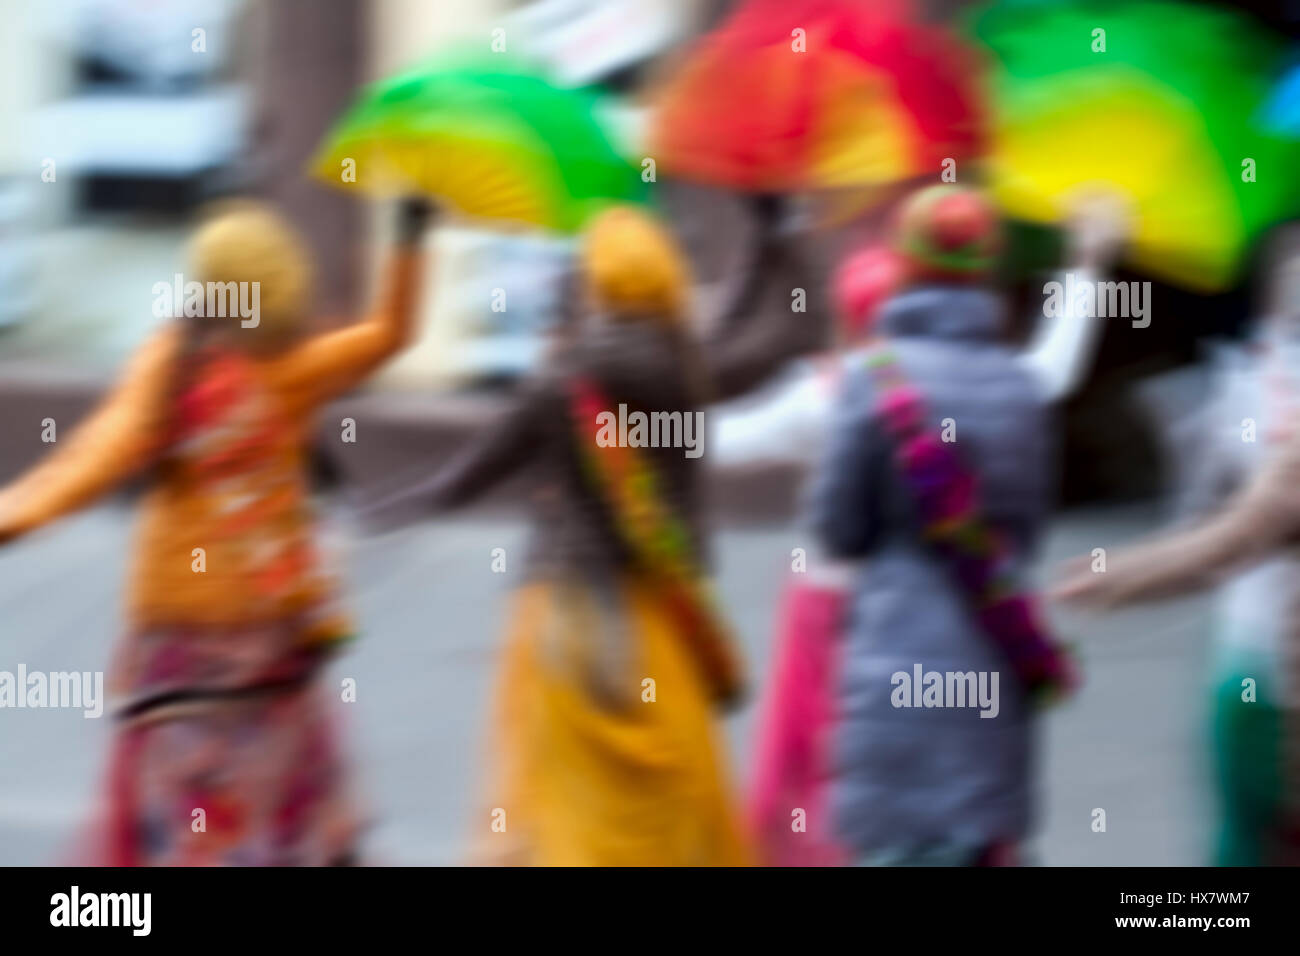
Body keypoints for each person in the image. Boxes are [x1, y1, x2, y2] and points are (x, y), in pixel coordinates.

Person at [362, 197, 826, 865]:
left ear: (594, 282)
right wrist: (778, 232)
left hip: (563, 614)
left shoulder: (561, 379)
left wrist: (380, 508)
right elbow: (790, 333)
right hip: (658, 618)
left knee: (558, 807)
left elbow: (463, 478)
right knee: (669, 801)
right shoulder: (688, 372)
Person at [0, 197, 432, 865]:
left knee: (191, 832)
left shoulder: (173, 369)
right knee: (270, 827)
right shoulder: (289, 370)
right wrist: (410, 237)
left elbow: (96, 456)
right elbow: (392, 334)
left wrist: (18, 514)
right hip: (270, 651)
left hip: (193, 657)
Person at [805, 184, 1120, 866]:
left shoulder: (871, 378)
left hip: (891, 661)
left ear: (906, 264)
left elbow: (835, 530)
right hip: (990, 662)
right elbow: (1026, 536)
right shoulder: (1019, 387)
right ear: (985, 268)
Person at [1054, 225, 1300, 866]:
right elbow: (1217, 520)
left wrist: (1121, 576)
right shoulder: (1251, 381)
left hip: (1269, 676)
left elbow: (1226, 540)